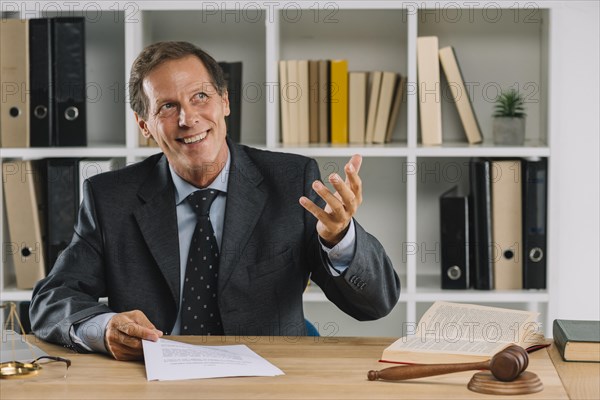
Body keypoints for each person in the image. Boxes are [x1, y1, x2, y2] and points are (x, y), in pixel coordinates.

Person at [30, 41, 400, 361]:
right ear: (144, 125)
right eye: (167, 107)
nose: (189, 119)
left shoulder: (293, 182)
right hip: (153, 377)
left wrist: (339, 238)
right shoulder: (110, 197)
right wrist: (104, 326)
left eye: (200, 97)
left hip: (268, 378)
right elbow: (51, 301)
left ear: (224, 102)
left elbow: (375, 305)